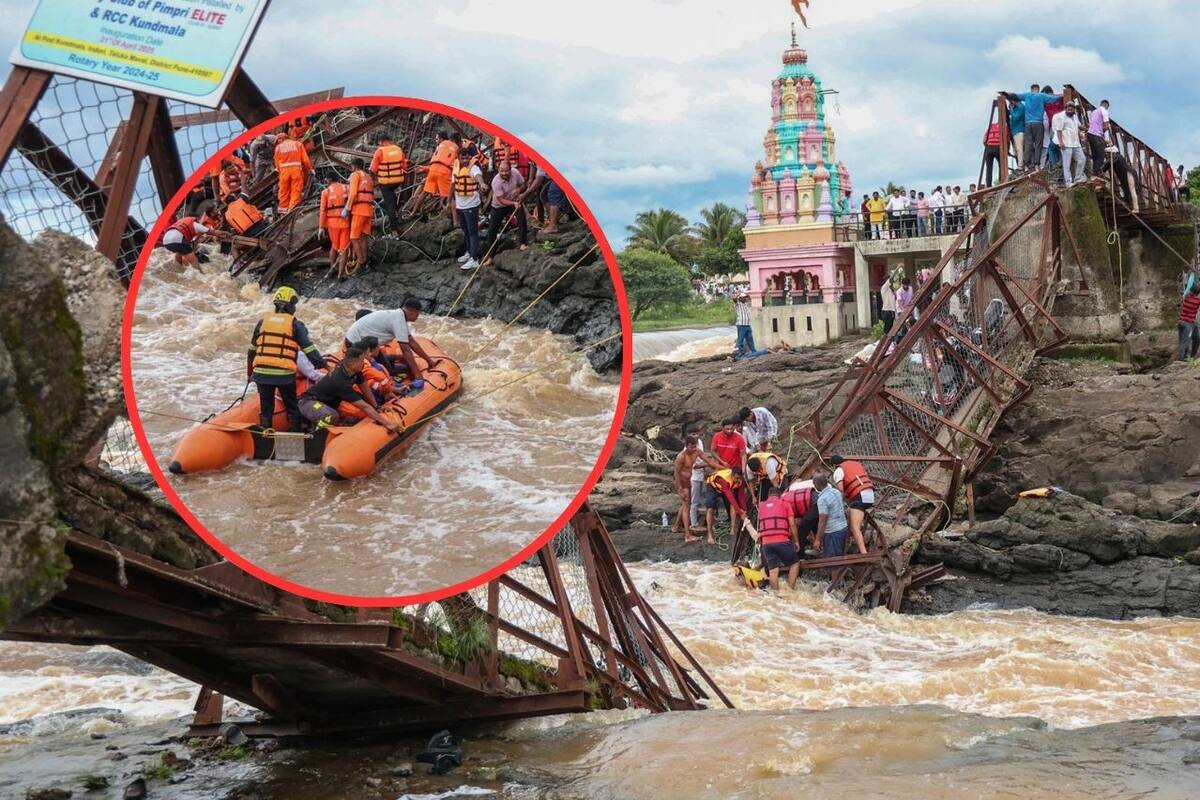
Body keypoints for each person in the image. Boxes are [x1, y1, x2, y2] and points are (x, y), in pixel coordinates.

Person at [247, 286, 326, 432]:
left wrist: (249, 374)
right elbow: (309, 349)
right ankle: (295, 432)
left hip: (261, 374)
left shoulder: (262, 322)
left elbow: (251, 352)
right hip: (284, 375)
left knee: (266, 408)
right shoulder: (295, 324)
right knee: (291, 405)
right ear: (290, 306)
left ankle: (266, 433)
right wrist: (322, 364)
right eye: (294, 305)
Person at [298, 346, 400, 433]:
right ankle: (317, 434)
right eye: (361, 361)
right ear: (352, 363)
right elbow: (363, 406)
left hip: (327, 403)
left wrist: (376, 407)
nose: (364, 363)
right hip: (309, 402)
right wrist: (387, 423)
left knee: (351, 415)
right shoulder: (340, 380)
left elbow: (364, 387)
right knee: (331, 415)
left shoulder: (354, 370)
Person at [343, 301, 436, 381]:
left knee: (390, 366)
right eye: (417, 314)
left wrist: (429, 361)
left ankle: (391, 366)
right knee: (390, 371)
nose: (418, 317)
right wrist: (418, 375)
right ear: (412, 313)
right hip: (356, 343)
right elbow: (406, 349)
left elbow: (412, 342)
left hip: (366, 341)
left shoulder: (399, 316)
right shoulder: (398, 320)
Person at [1002, 84, 1062, 173]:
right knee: (1038, 145)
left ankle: (1026, 165)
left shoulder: (1027, 95)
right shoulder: (1042, 96)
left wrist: (1005, 94)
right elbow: (1053, 99)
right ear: (1038, 89)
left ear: (1031, 89)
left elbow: (1015, 96)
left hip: (1028, 123)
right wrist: (1061, 95)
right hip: (1038, 123)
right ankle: (1037, 165)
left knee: (1028, 145)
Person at [674, 437, 723, 542]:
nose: (694, 449)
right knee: (686, 507)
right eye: (692, 447)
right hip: (682, 482)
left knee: (686, 505)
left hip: (688, 480)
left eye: (695, 446)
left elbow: (709, 461)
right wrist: (679, 489)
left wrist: (722, 467)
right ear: (687, 446)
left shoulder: (697, 452)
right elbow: (676, 474)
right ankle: (687, 535)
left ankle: (678, 527)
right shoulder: (681, 457)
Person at [754, 484, 800, 590]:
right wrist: (796, 541)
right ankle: (790, 590)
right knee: (795, 563)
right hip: (782, 541)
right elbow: (792, 525)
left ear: (768, 496)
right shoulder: (785, 504)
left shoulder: (761, 506)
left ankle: (775, 595)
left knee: (773, 570)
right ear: (780, 496)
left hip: (766, 544)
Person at [484, 158, 529, 264]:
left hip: (514, 201)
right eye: (501, 171)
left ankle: (523, 242)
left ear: (510, 169)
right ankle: (491, 256)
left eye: (506, 171)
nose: (504, 173)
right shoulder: (496, 182)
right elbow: (501, 200)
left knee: (522, 219)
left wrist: (519, 190)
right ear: (498, 170)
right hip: (499, 205)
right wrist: (513, 204)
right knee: (492, 230)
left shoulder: (515, 172)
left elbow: (524, 184)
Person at [407, 130, 459, 218]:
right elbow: (454, 164)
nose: (436, 141)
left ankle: (413, 213)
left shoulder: (440, 146)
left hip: (433, 170)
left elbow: (436, 161)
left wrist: (425, 168)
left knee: (424, 193)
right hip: (445, 171)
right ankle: (454, 220)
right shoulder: (456, 147)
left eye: (437, 139)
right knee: (450, 196)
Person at [451, 144, 486, 271]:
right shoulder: (455, 168)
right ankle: (469, 251)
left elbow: (478, 177)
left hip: (472, 204)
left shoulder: (473, 168)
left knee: (472, 231)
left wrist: (482, 184)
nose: (465, 161)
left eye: (466, 158)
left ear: (469, 158)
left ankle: (474, 258)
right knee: (465, 230)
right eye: (462, 158)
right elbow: (453, 184)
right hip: (460, 204)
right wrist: (449, 200)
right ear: (458, 158)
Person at [829, 455, 872, 555]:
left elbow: (840, 489)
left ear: (833, 465)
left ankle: (864, 553)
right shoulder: (855, 464)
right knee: (849, 512)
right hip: (869, 494)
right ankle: (848, 539)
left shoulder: (838, 470)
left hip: (859, 497)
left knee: (855, 527)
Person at [370, 135, 408, 230]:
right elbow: (405, 167)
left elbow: (372, 169)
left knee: (389, 204)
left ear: (382, 141)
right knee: (392, 197)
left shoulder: (380, 151)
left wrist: (374, 180)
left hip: (386, 183)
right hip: (398, 181)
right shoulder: (399, 150)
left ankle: (394, 229)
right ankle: (398, 214)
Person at [346, 158, 375, 274]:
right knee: (363, 237)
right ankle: (366, 262)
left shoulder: (355, 175)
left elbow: (352, 194)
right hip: (369, 210)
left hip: (359, 210)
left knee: (354, 238)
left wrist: (347, 208)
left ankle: (362, 263)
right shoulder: (368, 177)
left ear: (354, 166)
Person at [812, 472, 850, 562]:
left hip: (833, 532)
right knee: (839, 556)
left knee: (833, 561)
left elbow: (822, 521)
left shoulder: (822, 499)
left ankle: (835, 576)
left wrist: (817, 539)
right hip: (843, 528)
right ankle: (840, 574)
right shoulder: (836, 492)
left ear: (817, 484)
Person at [273, 131, 312, 214]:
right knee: (296, 191)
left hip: (284, 173)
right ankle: (292, 211)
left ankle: (283, 211)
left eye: (277, 141)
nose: (277, 143)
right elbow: (305, 160)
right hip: (296, 171)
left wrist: (281, 172)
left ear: (281, 139)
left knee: (284, 191)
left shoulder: (278, 148)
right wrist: (310, 169)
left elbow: (277, 165)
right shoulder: (298, 144)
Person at [318, 180, 351, 275]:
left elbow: (323, 211)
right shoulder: (347, 188)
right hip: (345, 223)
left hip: (332, 224)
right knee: (344, 249)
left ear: (329, 180)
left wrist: (321, 227)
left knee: (334, 246)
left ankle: (332, 268)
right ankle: (341, 274)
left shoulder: (325, 192)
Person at [1053, 101, 1086, 187]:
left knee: (1082, 159)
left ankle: (1078, 179)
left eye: (1072, 110)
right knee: (1066, 164)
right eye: (1068, 109)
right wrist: (1061, 143)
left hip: (1075, 143)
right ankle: (1068, 182)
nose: (1070, 111)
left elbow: (1079, 126)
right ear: (1066, 109)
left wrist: (1088, 128)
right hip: (1066, 143)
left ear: (1074, 110)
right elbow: (1059, 130)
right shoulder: (1061, 117)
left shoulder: (1074, 117)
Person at [1087, 100, 1111, 176]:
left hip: (1090, 134)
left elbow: (1091, 123)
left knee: (1095, 156)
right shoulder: (1104, 110)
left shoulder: (1094, 112)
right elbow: (1106, 126)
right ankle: (1096, 175)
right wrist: (1104, 137)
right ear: (1106, 106)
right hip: (1096, 135)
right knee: (1101, 155)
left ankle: (1094, 174)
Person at [1178, 284, 1200, 361]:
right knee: (1185, 342)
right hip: (1187, 324)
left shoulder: (1186, 297)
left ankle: (1191, 356)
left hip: (1184, 322)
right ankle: (1181, 360)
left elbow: (1187, 288)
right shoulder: (1196, 300)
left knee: (1196, 339)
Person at [983, 109, 1003, 187]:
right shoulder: (1003, 127)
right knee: (1001, 165)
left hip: (989, 147)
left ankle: (988, 185)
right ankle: (1001, 182)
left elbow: (984, 139)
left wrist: (987, 145)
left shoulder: (991, 126)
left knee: (989, 168)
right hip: (997, 147)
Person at [1008, 99, 1026, 169]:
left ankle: (1020, 165)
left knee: (1019, 149)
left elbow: (1015, 117)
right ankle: (1022, 164)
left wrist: (1011, 109)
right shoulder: (1017, 108)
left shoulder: (1020, 107)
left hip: (1019, 131)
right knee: (1018, 149)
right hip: (1016, 131)